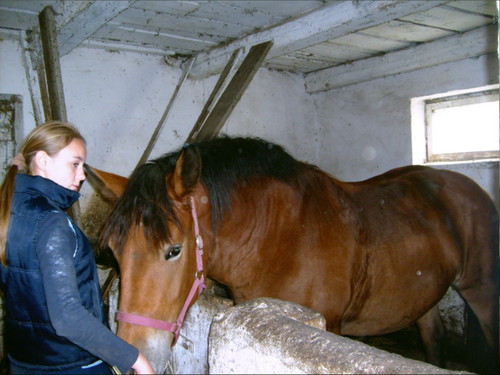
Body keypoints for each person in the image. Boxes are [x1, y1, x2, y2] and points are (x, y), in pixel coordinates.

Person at [0, 121, 153, 374]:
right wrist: (135, 359)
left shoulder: (9, 212)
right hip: (71, 363)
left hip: (24, 360)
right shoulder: (52, 223)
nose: (82, 176)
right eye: (75, 164)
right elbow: (68, 318)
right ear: (43, 161)